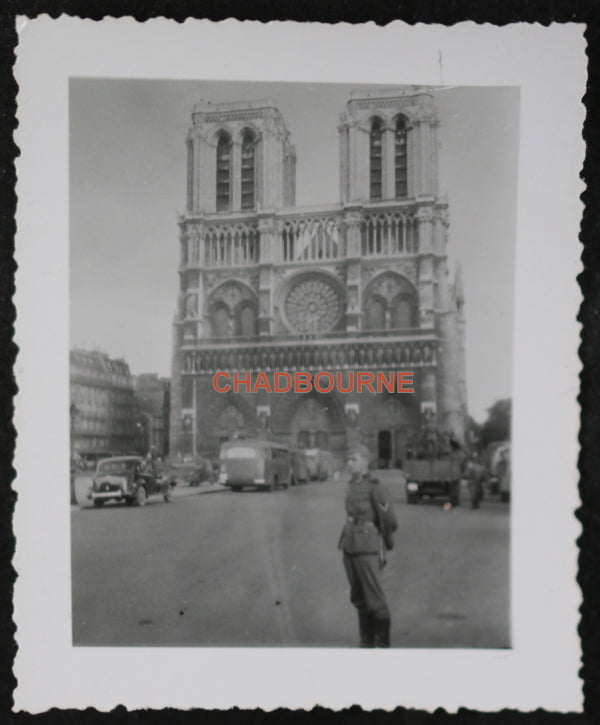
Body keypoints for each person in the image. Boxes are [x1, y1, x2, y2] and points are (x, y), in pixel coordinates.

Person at [338, 443, 397, 647]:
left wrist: (386, 543)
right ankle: (366, 641)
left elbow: (389, 520)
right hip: (350, 546)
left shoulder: (375, 486)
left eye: (353, 459)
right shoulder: (352, 485)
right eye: (348, 459)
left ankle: (381, 644)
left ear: (365, 461)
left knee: (375, 598)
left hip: (367, 546)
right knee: (359, 597)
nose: (349, 463)